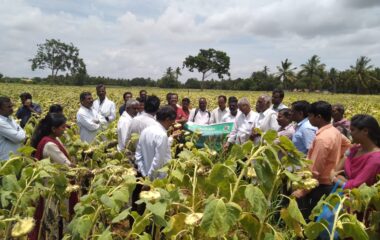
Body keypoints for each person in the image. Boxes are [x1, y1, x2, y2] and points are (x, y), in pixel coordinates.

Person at [292, 101, 351, 219]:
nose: (308, 119)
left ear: (318, 117)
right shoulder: (334, 131)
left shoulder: (322, 138)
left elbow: (315, 170)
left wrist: (303, 191)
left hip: (320, 186)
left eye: (310, 116)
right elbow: (348, 145)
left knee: (312, 218)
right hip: (331, 182)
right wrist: (337, 163)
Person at [30, 113, 77, 240]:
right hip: (53, 185)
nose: (64, 129)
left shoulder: (53, 139)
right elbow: (67, 165)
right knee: (54, 216)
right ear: (53, 128)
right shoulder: (49, 144)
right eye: (62, 127)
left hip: (54, 182)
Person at [331, 114, 380, 189]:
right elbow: (345, 157)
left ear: (365, 131)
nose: (350, 133)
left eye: (352, 130)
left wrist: (334, 178)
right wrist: (335, 174)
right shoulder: (355, 148)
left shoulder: (376, 159)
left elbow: (356, 186)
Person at [135, 106, 177, 180]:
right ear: (167, 119)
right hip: (158, 178)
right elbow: (158, 161)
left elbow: (138, 154)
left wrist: (144, 173)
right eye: (172, 121)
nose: (173, 123)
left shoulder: (145, 130)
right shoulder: (162, 135)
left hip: (144, 173)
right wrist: (150, 178)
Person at [0, 96, 26, 161]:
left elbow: (20, 133)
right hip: (5, 160)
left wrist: (20, 131)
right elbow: (19, 138)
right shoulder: (1, 122)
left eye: (11, 106)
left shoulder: (10, 118)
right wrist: (21, 131)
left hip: (14, 159)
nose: (12, 108)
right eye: (8, 107)